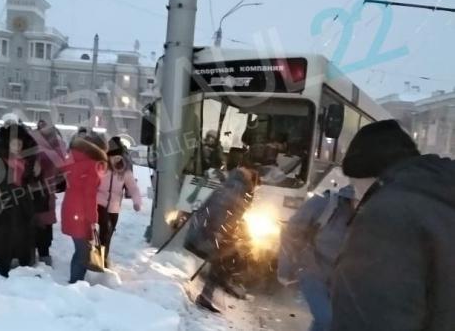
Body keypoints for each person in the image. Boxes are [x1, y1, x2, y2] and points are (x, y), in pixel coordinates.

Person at [331, 119, 455, 331]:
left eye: (354, 181)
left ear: (371, 175)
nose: (354, 190)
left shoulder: (386, 214)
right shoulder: (440, 194)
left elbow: (370, 316)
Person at [278, 185, 356, 331]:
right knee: (326, 318)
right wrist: (285, 269)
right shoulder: (325, 203)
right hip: (311, 269)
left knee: (334, 323)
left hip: (340, 280)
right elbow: (291, 232)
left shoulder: (369, 213)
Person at [184, 164, 259, 312]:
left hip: (209, 230)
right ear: (252, 180)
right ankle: (212, 293)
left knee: (227, 258)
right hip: (207, 231)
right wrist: (218, 230)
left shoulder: (235, 184)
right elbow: (221, 207)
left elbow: (232, 213)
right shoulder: (237, 187)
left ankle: (212, 293)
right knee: (226, 259)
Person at [0, 124, 40, 277]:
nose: (18, 146)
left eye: (20, 143)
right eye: (14, 143)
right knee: (5, 233)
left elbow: (29, 180)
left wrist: (36, 171)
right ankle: (4, 265)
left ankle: (23, 263)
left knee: (22, 232)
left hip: (22, 200)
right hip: (4, 199)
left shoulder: (26, 159)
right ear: (8, 142)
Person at [61, 132, 108, 283]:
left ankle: (75, 282)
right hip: (81, 213)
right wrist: (93, 219)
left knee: (80, 249)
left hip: (70, 207)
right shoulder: (93, 165)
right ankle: (75, 283)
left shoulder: (74, 158)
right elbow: (90, 195)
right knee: (83, 251)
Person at [96, 137, 142, 268]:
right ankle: (100, 257)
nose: (116, 159)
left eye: (118, 156)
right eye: (113, 156)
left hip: (114, 206)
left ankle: (103, 255)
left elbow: (133, 187)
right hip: (99, 201)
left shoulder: (124, 170)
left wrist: (137, 202)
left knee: (109, 233)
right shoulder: (102, 168)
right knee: (106, 227)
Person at [32, 120, 67, 266]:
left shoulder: (51, 147)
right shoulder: (53, 147)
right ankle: (42, 255)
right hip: (40, 191)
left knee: (41, 224)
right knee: (41, 225)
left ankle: (41, 255)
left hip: (41, 192)